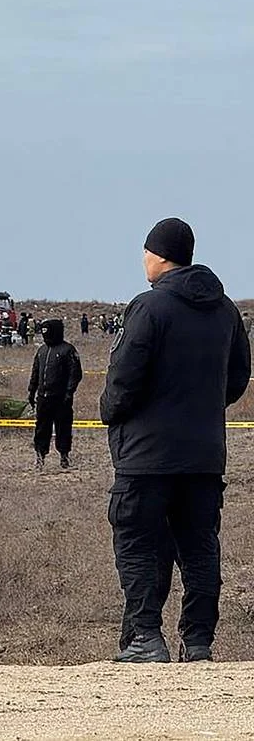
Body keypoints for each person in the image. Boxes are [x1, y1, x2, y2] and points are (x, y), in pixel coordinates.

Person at [101, 217, 250, 664]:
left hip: (146, 458)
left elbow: (124, 378)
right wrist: (201, 409)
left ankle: (146, 637)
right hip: (204, 456)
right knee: (200, 548)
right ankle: (199, 642)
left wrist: (111, 411)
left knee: (139, 544)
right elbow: (238, 377)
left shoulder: (150, 308)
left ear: (159, 255)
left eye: (146, 251)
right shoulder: (225, 310)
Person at [27, 319, 82, 469]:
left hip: (61, 399)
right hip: (43, 398)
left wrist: (69, 393)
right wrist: (31, 391)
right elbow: (35, 372)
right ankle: (40, 456)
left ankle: (64, 456)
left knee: (63, 428)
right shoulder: (42, 351)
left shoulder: (68, 350)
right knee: (41, 428)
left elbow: (75, 374)